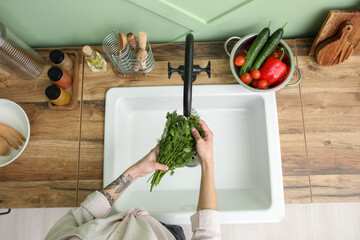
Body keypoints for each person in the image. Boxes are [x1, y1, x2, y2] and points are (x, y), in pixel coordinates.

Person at [45, 120, 221, 240]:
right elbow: (208, 234)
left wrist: (135, 172)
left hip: (130, 220)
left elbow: (84, 214)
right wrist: (207, 161)